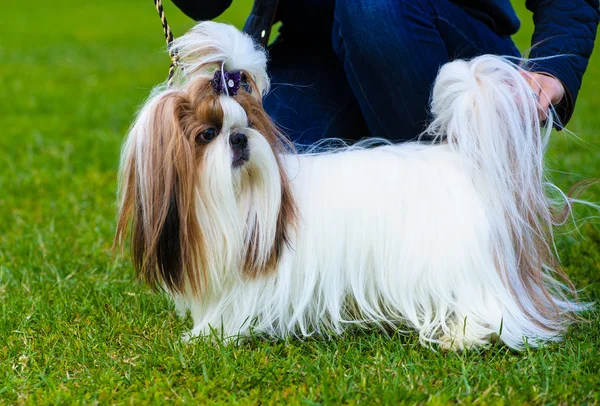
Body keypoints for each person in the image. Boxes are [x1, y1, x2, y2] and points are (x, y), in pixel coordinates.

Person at [171, 0, 599, 145]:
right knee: (273, 174)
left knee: (371, 10)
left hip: (438, 40)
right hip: (316, 52)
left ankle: (462, 218)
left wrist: (554, 67)